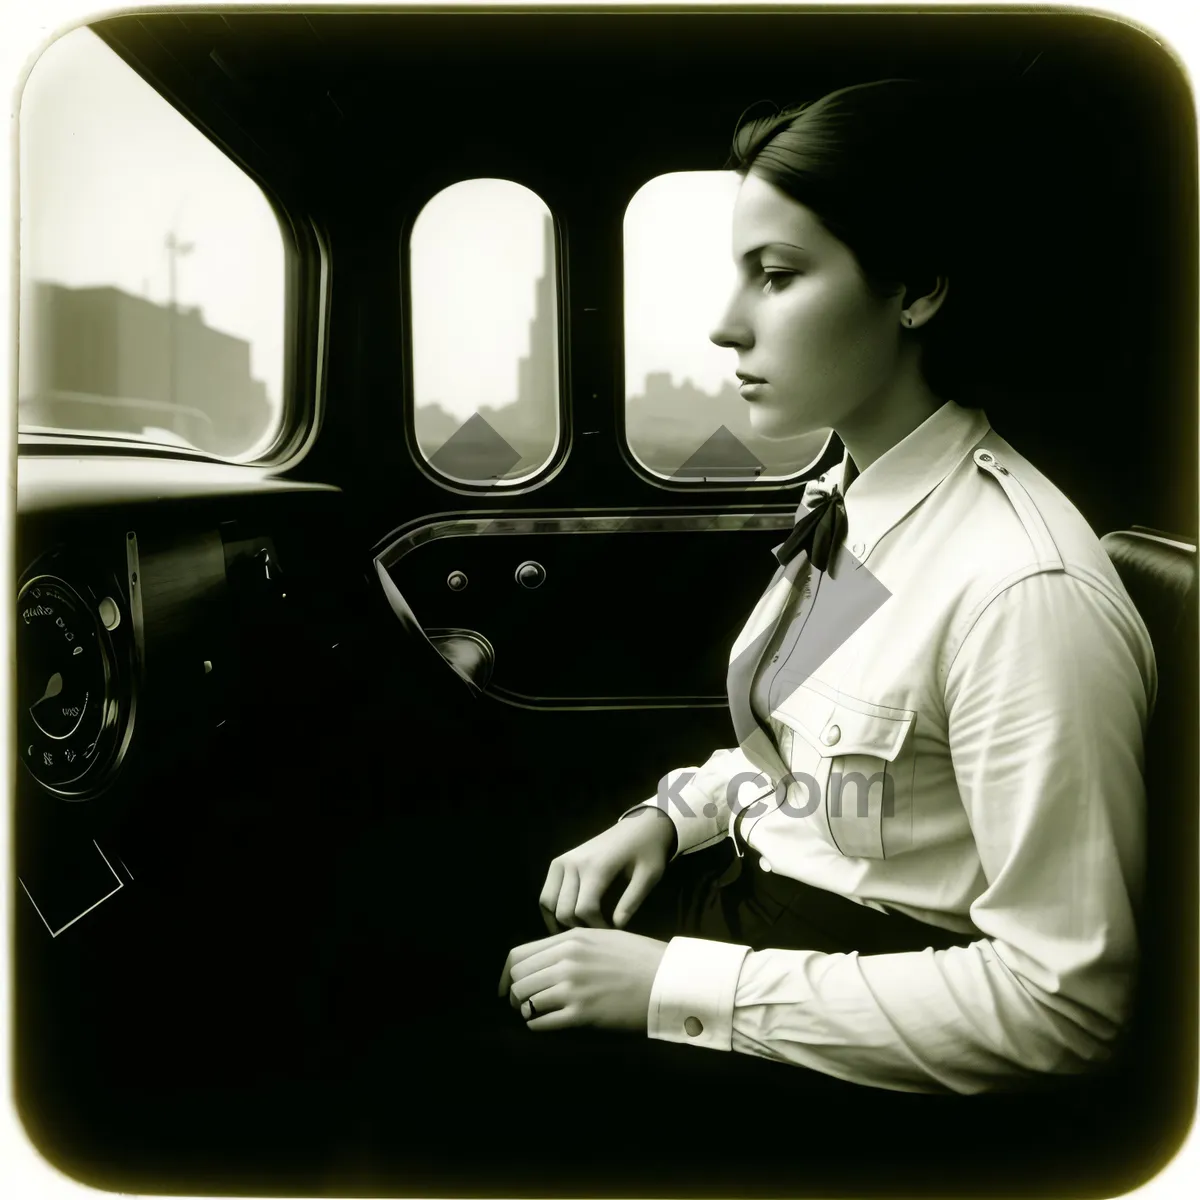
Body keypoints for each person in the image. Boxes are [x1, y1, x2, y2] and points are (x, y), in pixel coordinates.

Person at [487, 77, 1156, 1112]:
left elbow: (1061, 1006)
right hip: (762, 900)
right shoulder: (855, 494)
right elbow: (810, 759)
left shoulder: (1023, 591)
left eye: (779, 274)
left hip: (859, 993)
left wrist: (676, 985)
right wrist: (667, 819)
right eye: (738, 275)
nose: (726, 326)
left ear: (916, 288)